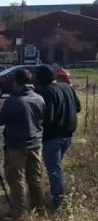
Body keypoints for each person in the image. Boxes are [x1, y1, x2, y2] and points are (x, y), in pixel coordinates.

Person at [0, 68, 45, 217]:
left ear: (15, 82)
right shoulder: (39, 98)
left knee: (16, 180)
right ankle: (39, 209)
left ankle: (19, 213)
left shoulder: (14, 101)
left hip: (17, 147)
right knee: (35, 178)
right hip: (36, 144)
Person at [35, 64, 81, 210]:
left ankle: (58, 203)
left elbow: (48, 117)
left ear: (41, 78)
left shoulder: (46, 92)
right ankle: (58, 195)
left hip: (53, 137)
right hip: (68, 134)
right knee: (56, 168)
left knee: (54, 170)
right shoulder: (67, 87)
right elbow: (78, 107)